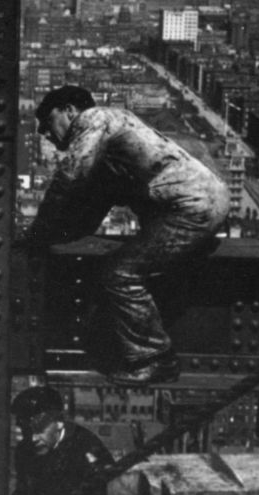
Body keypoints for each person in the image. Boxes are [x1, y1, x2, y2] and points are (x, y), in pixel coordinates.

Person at [26, 85, 230, 385]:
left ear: (70, 110)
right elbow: (95, 205)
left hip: (190, 208)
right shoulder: (115, 135)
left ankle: (154, 358)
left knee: (119, 274)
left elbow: (70, 178)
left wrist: (38, 232)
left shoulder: (95, 120)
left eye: (48, 121)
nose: (45, 132)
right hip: (200, 202)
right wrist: (58, 233)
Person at [9, 385, 114, 495]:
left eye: (39, 430)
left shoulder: (85, 448)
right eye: (27, 431)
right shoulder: (24, 450)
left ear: (59, 423)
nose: (33, 438)